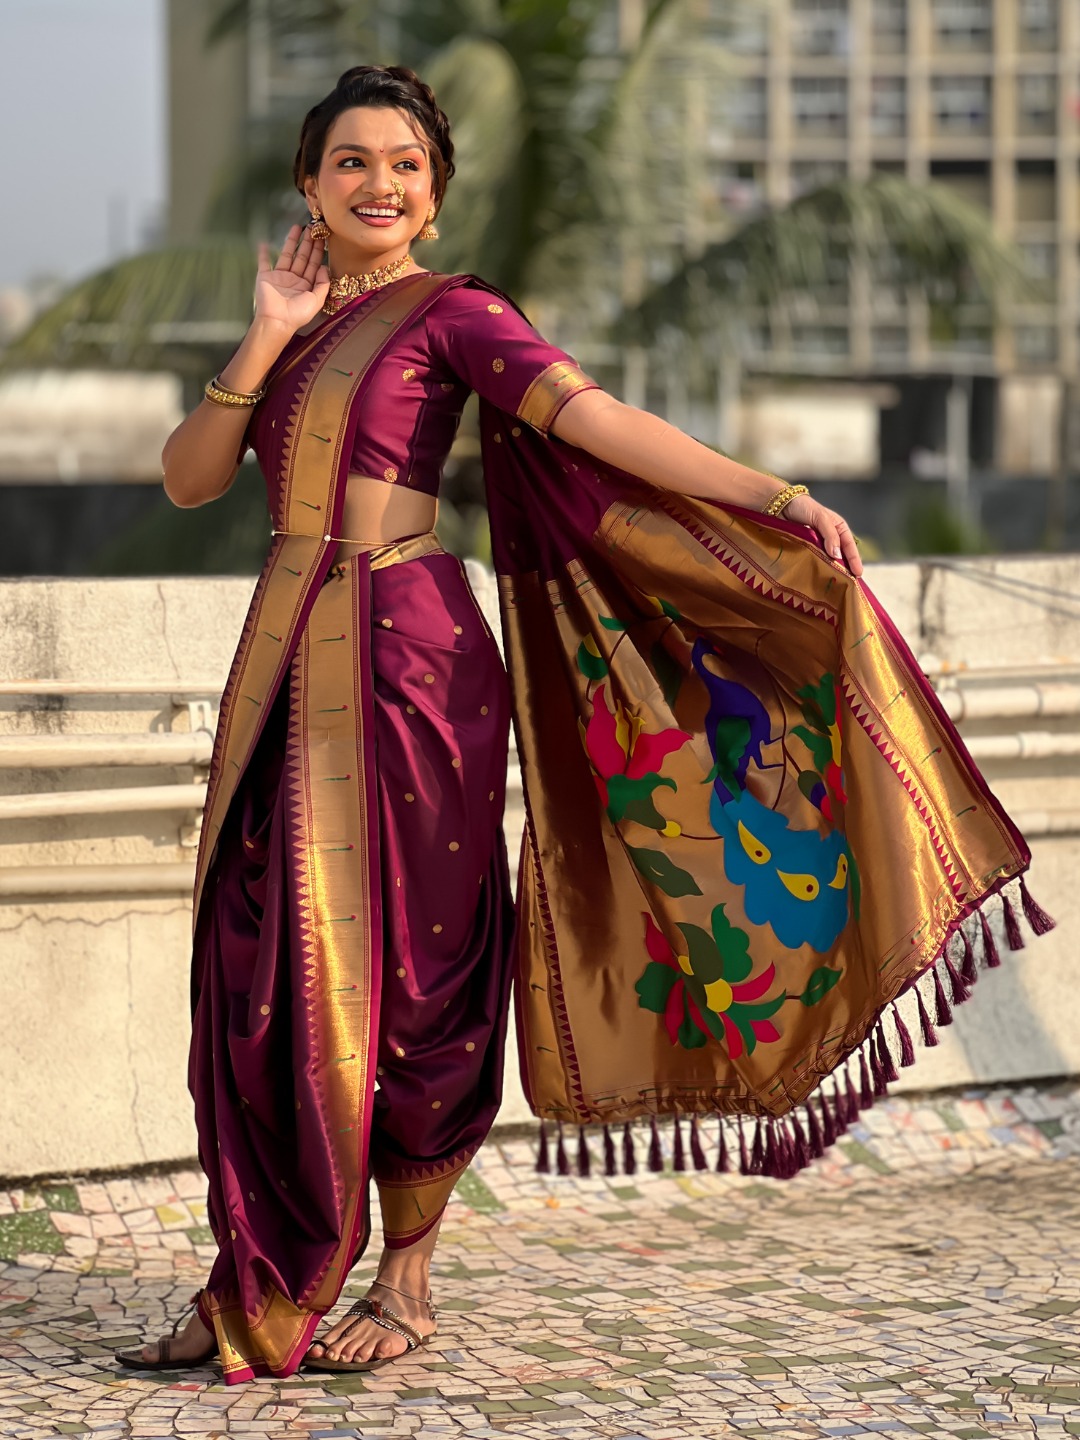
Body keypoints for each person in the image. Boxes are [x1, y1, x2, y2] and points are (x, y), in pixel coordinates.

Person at [116, 64, 1048, 1382]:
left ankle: (410, 1275)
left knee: (424, 956)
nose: (379, 183)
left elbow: (599, 422)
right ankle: (257, 1280)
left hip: (409, 656)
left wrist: (772, 494)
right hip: (280, 659)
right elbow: (191, 475)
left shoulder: (459, 317)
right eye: (351, 163)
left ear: (434, 199)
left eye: (405, 166)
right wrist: (265, 332)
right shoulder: (301, 328)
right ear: (308, 186)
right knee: (256, 959)